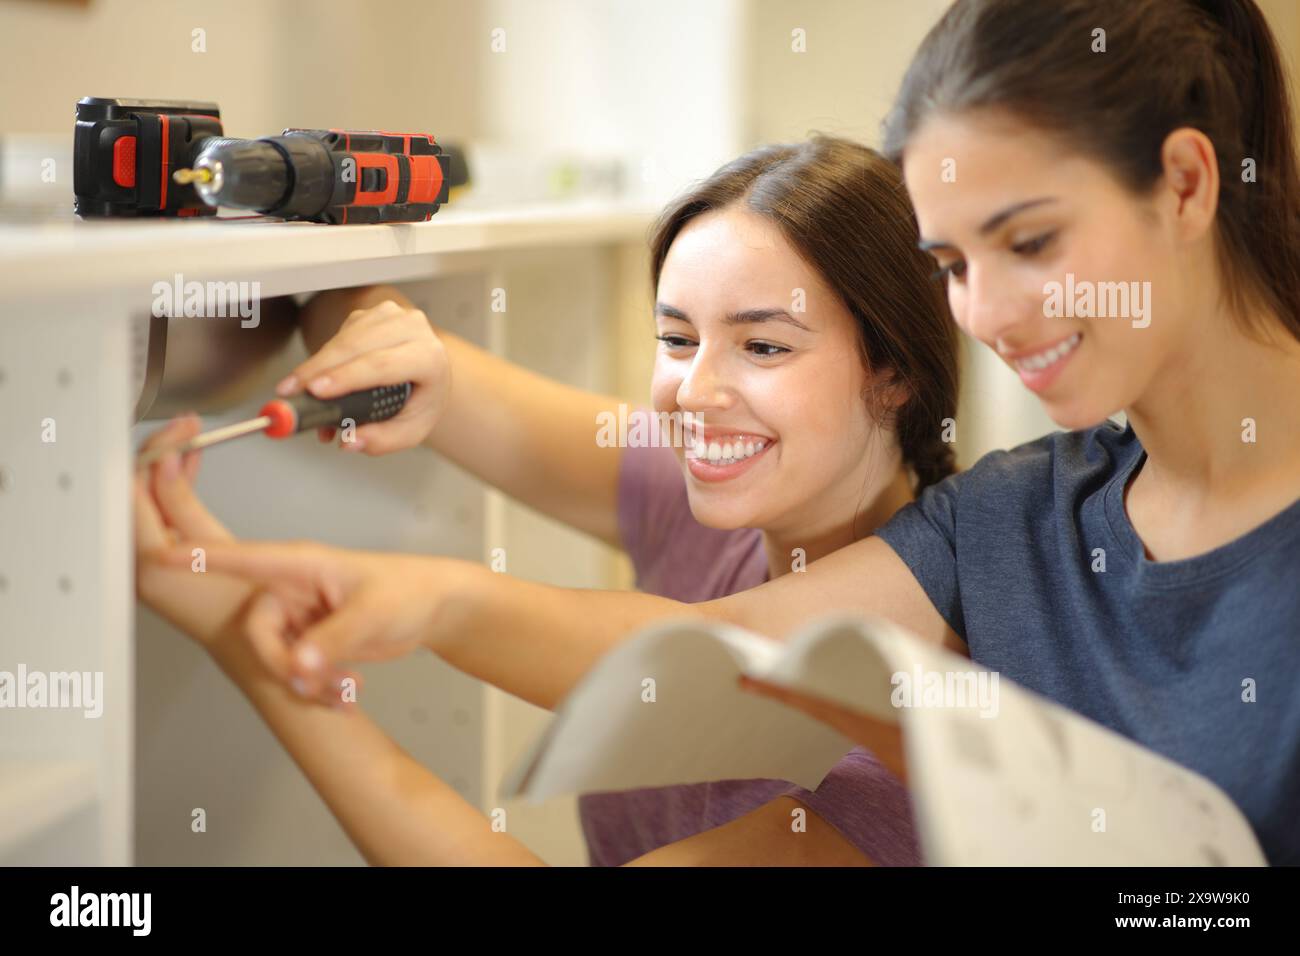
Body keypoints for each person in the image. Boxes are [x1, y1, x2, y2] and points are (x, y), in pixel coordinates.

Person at [151, 0, 1300, 866]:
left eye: (1031, 241)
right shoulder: (1010, 511)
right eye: (952, 263)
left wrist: (268, 640)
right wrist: (413, 584)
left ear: (1188, 183)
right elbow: (709, 650)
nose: (987, 314)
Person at [137, 135, 960, 865]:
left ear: (894, 374)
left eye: (764, 345)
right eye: (676, 339)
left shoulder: (926, 716)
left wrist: (243, 632)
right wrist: (392, 334)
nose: (694, 394)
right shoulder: (706, 489)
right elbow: (366, 333)